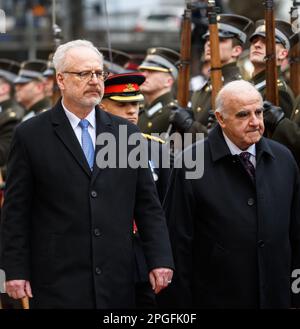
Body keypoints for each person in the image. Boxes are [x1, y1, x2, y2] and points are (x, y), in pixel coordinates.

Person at [0, 40, 174, 309]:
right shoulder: (31, 135)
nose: (94, 81)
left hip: (115, 277)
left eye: (98, 73)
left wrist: (160, 258)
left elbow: (147, 204)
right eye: (83, 74)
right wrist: (15, 269)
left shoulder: (126, 133)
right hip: (57, 278)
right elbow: (16, 210)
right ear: (61, 79)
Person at [160, 80, 300, 308]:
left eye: (259, 112)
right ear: (220, 118)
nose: (255, 122)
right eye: (243, 115)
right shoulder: (191, 163)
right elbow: (177, 244)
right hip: (216, 298)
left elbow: (295, 236)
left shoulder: (283, 158)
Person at [101, 72, 171, 308]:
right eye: (122, 104)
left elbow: (167, 206)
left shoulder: (157, 149)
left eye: (135, 104)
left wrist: (162, 258)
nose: (132, 111)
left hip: (145, 257)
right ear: (102, 106)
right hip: (104, 257)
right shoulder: (89, 149)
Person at [170, 14, 253, 136]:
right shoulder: (206, 86)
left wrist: (189, 125)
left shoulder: (238, 89)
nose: (209, 43)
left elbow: (229, 140)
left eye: (219, 40)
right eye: (208, 39)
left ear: (236, 50)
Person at [249, 19, 295, 118]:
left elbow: (283, 132)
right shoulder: (250, 84)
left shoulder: (279, 92)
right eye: (254, 41)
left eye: (266, 42)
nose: (256, 45)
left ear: (283, 54)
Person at [138, 47, 180, 135]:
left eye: (152, 71)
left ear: (168, 81)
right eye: (143, 70)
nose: (144, 75)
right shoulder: (138, 110)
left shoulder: (174, 114)